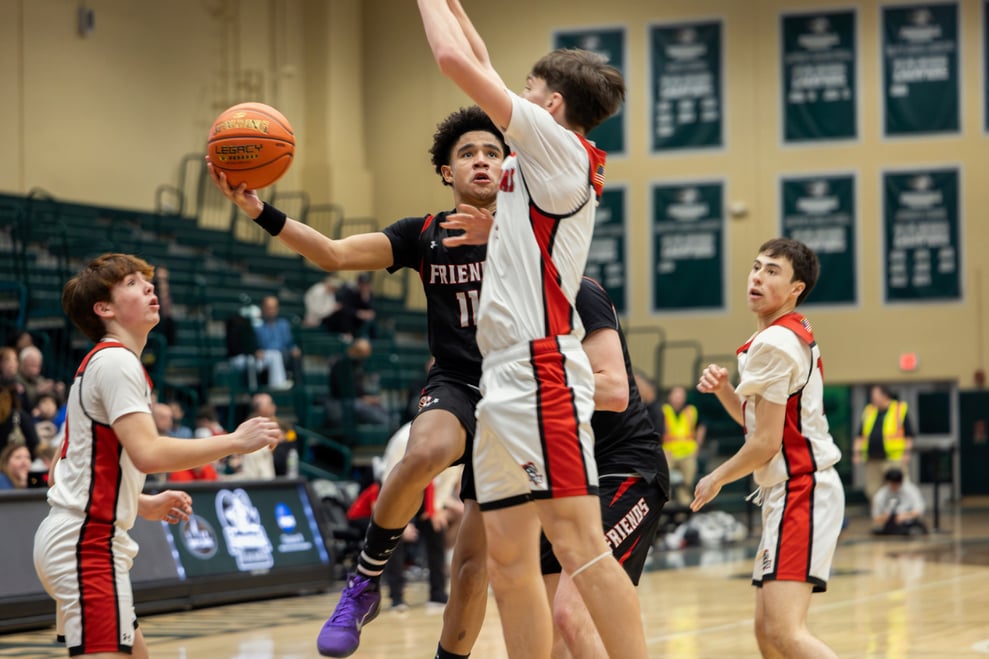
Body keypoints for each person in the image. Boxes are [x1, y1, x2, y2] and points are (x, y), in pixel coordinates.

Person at [209, 105, 507, 658]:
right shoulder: (423, 235)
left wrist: (507, 232)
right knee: (423, 453)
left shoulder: (533, 228)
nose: (481, 161)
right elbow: (334, 253)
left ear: (508, 166)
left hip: (517, 392)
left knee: (470, 568)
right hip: (459, 381)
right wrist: (259, 211)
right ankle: (365, 580)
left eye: (492, 152)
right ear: (447, 171)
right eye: (467, 153)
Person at [417, 2, 642, 657]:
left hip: (540, 370)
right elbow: (480, 58)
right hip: (501, 380)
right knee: (509, 561)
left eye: (528, 89)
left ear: (553, 102)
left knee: (578, 543)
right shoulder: (542, 151)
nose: (516, 95)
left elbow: (457, 63)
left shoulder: (554, 143)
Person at [32, 252, 280, 658]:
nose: (148, 287)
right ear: (104, 308)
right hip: (87, 545)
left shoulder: (104, 363)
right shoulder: (114, 361)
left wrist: (140, 502)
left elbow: (70, 467)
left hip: (82, 538)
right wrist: (234, 441)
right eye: (131, 283)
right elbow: (148, 453)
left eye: (145, 280)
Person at [692, 238, 843, 658]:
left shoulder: (775, 344)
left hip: (802, 489)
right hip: (789, 491)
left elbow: (765, 443)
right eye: (756, 267)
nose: (757, 277)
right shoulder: (780, 335)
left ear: (796, 288)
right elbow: (759, 426)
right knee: (766, 632)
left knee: (785, 631)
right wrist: (726, 391)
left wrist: (716, 476)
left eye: (772, 271)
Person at [541, 277, 670, 658]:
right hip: (564, 478)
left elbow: (613, 391)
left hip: (624, 468)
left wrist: (535, 381)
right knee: (549, 638)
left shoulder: (579, 293)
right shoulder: (510, 306)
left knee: (570, 615)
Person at [853, 384, 915, 500]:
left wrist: (906, 454)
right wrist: (857, 453)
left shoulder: (899, 409)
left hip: (893, 459)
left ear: (884, 395)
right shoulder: (869, 411)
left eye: (875, 395)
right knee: (873, 490)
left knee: (898, 489)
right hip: (872, 460)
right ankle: (879, 515)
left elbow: (909, 435)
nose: (873, 398)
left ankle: (899, 515)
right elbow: (860, 435)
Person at [326, 337, 389, 428]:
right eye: (361, 353)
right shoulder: (341, 364)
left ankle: (392, 424)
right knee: (360, 405)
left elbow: (359, 389)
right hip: (341, 401)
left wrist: (368, 397)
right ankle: (389, 425)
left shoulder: (357, 365)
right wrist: (363, 398)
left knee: (378, 404)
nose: (363, 358)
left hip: (355, 399)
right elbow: (343, 390)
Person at [663, 384, 707, 507]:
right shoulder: (663, 411)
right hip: (668, 453)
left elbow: (701, 426)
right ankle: (665, 509)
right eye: (676, 394)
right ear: (669, 396)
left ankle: (685, 513)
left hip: (688, 453)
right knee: (664, 484)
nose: (678, 398)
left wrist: (698, 446)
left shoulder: (691, 410)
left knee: (686, 488)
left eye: (681, 395)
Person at [0, 346, 39, 457]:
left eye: (15, 360)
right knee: (19, 415)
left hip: (19, 427)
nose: (12, 363)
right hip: (5, 427)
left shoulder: (19, 385)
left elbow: (30, 410)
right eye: (7, 360)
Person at [256, 294, 302, 387]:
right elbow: (255, 345)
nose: (271, 311)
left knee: (295, 355)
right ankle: (277, 386)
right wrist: (257, 351)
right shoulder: (257, 326)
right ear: (263, 308)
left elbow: (290, 343)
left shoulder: (284, 324)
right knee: (274, 357)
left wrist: (294, 348)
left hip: (284, 354)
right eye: (268, 308)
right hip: (266, 355)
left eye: (274, 308)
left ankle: (298, 388)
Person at [872, 467, 927, 536]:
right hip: (891, 523)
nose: (894, 487)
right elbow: (876, 517)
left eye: (896, 484)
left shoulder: (910, 490)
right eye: (892, 484)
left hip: (909, 522)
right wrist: (884, 517)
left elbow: (919, 510)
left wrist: (906, 515)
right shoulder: (881, 495)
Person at [325, 272, 377, 339]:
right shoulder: (350, 292)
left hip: (358, 322)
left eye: (367, 284)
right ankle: (348, 334)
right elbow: (345, 308)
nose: (365, 286)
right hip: (344, 322)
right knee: (344, 316)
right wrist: (358, 313)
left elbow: (371, 311)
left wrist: (366, 300)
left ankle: (371, 340)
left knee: (372, 323)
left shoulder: (370, 295)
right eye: (363, 284)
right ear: (359, 284)